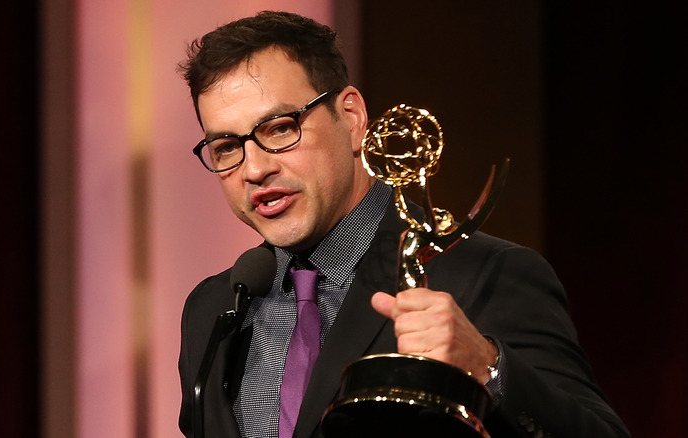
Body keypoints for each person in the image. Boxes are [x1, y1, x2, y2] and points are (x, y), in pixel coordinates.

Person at [177, 10, 629, 438]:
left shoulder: (483, 274)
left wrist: (490, 368)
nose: (254, 169)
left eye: (279, 128)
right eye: (226, 147)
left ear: (351, 118)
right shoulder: (213, 309)